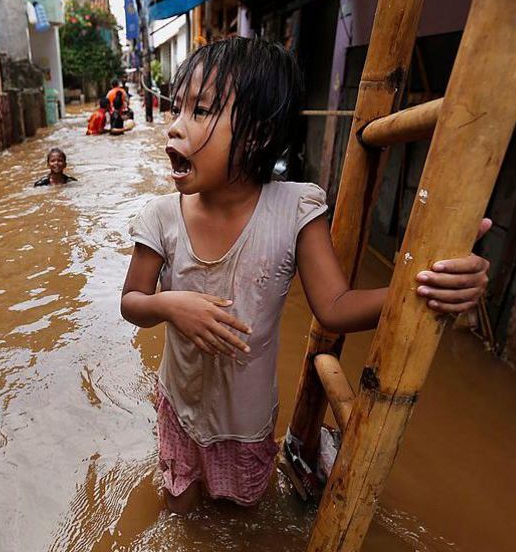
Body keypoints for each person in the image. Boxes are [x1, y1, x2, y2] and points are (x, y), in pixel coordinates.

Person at [120, 38, 491, 513]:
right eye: (178, 109)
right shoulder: (160, 216)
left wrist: (422, 283)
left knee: (241, 517)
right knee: (180, 512)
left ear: (256, 134)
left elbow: (335, 307)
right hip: (180, 405)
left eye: (199, 111)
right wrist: (170, 305)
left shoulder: (296, 208)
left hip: (246, 420)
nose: (173, 128)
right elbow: (131, 301)